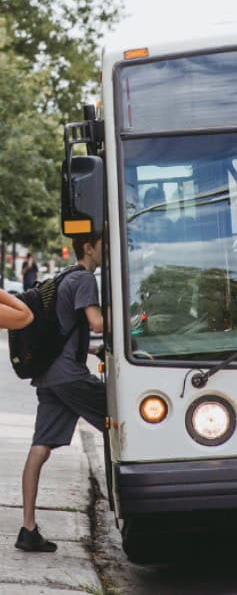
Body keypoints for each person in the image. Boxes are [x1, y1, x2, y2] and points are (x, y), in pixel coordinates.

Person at [16, 234, 105, 553]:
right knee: (126, 414)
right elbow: (96, 323)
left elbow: (67, 331)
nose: (108, 249)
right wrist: (132, 321)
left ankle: (28, 529)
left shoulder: (64, 276)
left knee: (40, 448)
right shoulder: (85, 279)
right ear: (89, 248)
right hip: (69, 377)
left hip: (48, 376)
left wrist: (91, 350)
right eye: (104, 244)